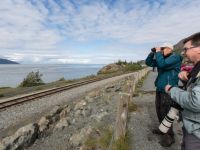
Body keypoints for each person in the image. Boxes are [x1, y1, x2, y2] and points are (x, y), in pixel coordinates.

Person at [165, 32, 200, 150]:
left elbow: (195, 101)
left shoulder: (174, 58)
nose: (184, 53)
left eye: (186, 49)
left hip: (196, 131)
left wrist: (172, 90)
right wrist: (187, 79)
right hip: (192, 125)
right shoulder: (197, 66)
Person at [145, 43, 182, 147]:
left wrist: (158, 53)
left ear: (170, 49)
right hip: (160, 88)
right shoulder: (162, 58)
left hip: (169, 89)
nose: (161, 50)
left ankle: (170, 137)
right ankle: (162, 129)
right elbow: (148, 63)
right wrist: (152, 53)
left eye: (163, 48)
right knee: (159, 109)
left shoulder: (175, 58)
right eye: (161, 49)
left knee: (166, 113)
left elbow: (162, 65)